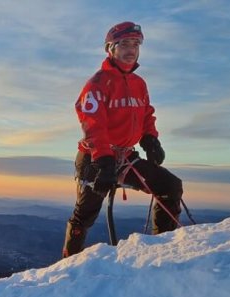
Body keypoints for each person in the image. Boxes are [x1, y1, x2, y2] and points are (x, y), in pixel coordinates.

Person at [62, 21, 183, 258]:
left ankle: (164, 250)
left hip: (125, 156)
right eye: (125, 43)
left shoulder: (139, 84)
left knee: (170, 187)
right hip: (95, 157)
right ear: (111, 48)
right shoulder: (96, 84)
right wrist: (103, 160)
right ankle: (66, 265)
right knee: (84, 214)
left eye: (136, 44)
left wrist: (150, 138)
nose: (131, 49)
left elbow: (146, 112)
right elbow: (92, 125)